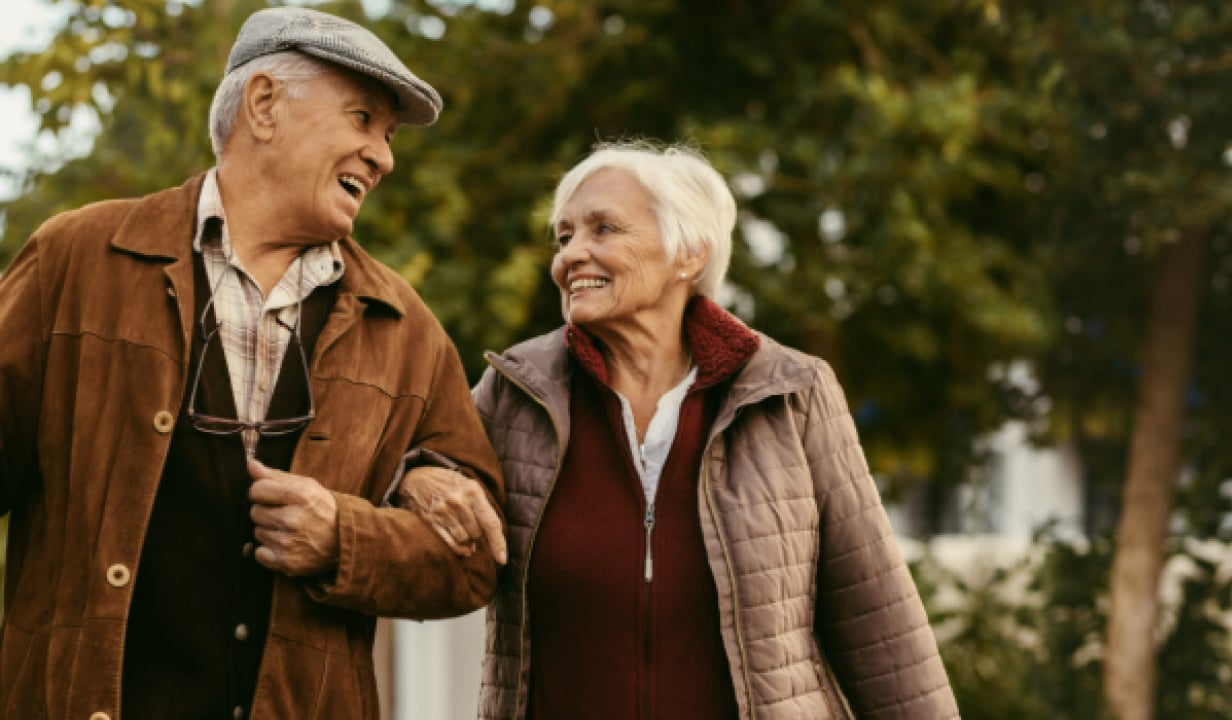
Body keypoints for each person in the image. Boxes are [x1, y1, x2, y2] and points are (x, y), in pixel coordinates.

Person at [0, 7, 505, 720]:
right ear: (264, 105)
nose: (384, 158)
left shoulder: (406, 330)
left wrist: (345, 539)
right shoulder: (75, 260)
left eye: (388, 137)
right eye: (363, 119)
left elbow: (476, 562)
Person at [443, 141, 960, 718]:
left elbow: (877, 617)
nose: (571, 257)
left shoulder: (791, 393)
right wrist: (416, 481)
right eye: (564, 238)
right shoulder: (515, 391)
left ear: (688, 253)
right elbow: (420, 486)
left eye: (603, 229)